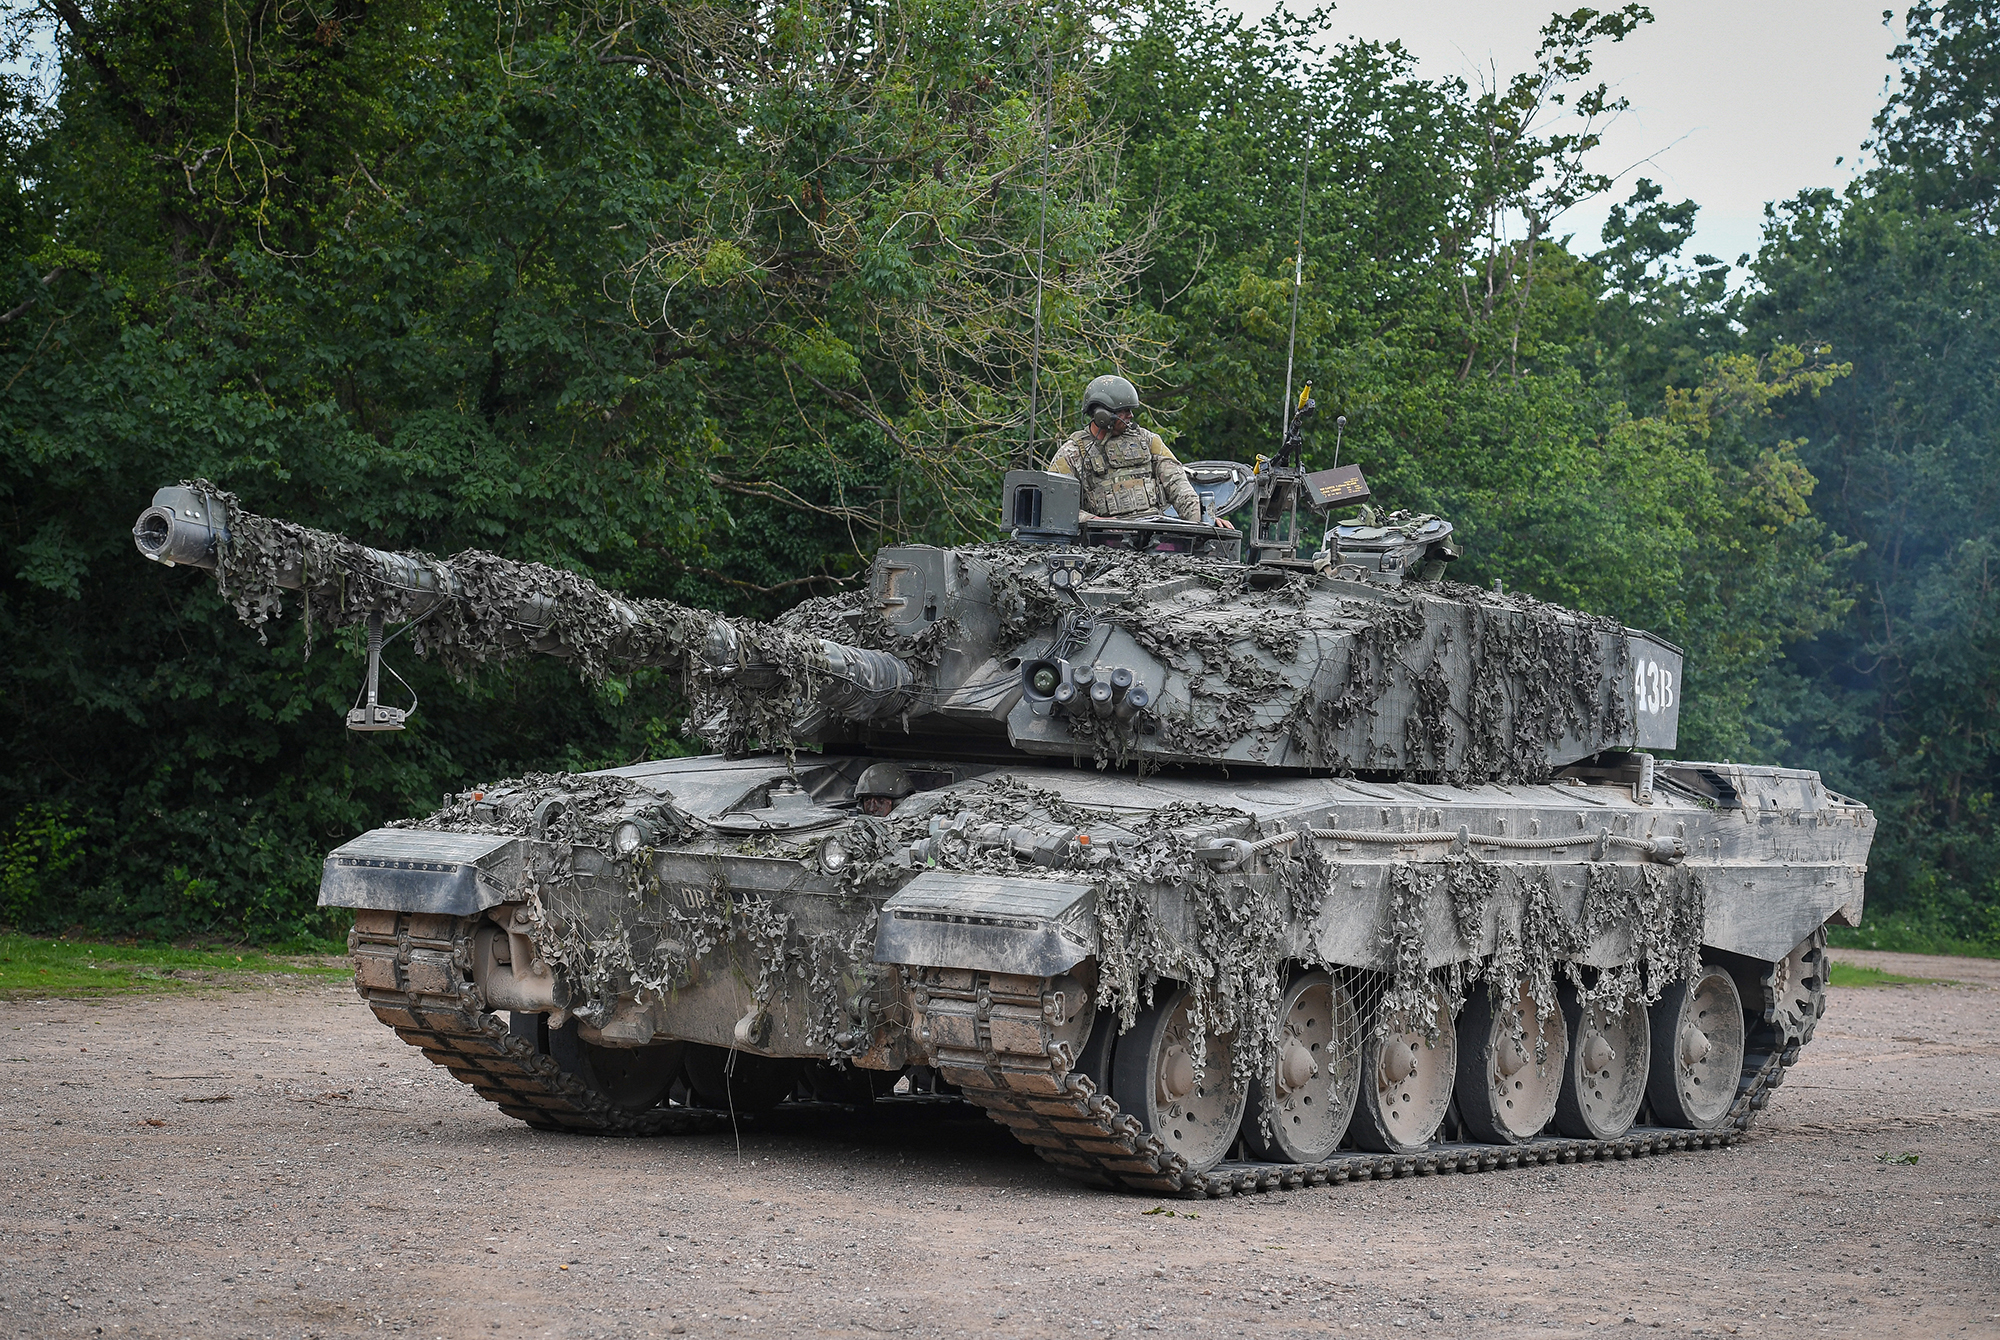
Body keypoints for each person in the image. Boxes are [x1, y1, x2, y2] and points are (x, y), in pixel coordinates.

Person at [1046, 375, 1233, 528]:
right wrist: (1094, 521)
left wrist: (1204, 519)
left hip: (1155, 536)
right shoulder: (1072, 454)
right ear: (1102, 415)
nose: (1131, 416)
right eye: (1124, 411)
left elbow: (1179, 486)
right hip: (1102, 543)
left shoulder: (1149, 441)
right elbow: (1055, 507)